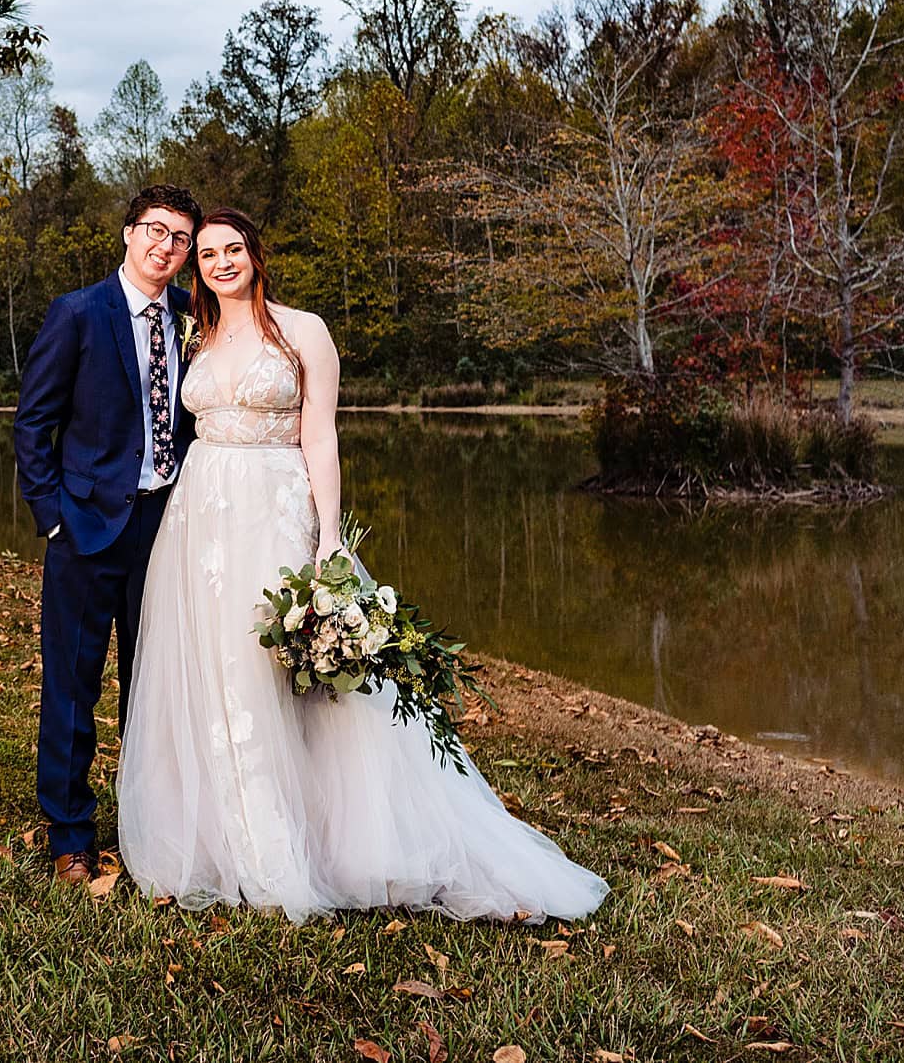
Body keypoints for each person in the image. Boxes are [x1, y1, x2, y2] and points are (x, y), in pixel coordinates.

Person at [117, 208, 610, 922]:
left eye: (233, 249)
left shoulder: (304, 330)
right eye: (209, 254)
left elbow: (320, 437)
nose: (220, 262)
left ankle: (320, 841)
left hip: (275, 506)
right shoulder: (197, 332)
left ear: (256, 253)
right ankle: (227, 836)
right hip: (199, 518)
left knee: (285, 673)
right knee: (214, 670)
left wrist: (327, 538)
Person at [13, 183, 204, 885]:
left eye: (180, 238)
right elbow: (33, 424)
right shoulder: (78, 313)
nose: (166, 247)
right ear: (128, 233)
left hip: (167, 529)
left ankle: (149, 823)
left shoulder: (191, 315)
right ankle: (70, 834)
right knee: (72, 684)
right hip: (87, 527)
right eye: (155, 230)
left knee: (156, 685)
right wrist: (53, 514)